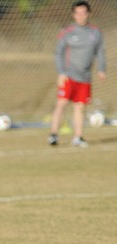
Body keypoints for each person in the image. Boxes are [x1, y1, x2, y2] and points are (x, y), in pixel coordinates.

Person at [48, 0, 106, 148]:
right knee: (62, 104)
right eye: (77, 13)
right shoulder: (67, 32)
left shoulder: (95, 32)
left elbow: (100, 52)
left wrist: (101, 69)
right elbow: (58, 53)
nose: (80, 16)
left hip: (85, 77)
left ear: (88, 14)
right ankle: (53, 135)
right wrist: (61, 72)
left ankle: (78, 137)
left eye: (83, 13)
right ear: (73, 15)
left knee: (80, 107)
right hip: (68, 75)